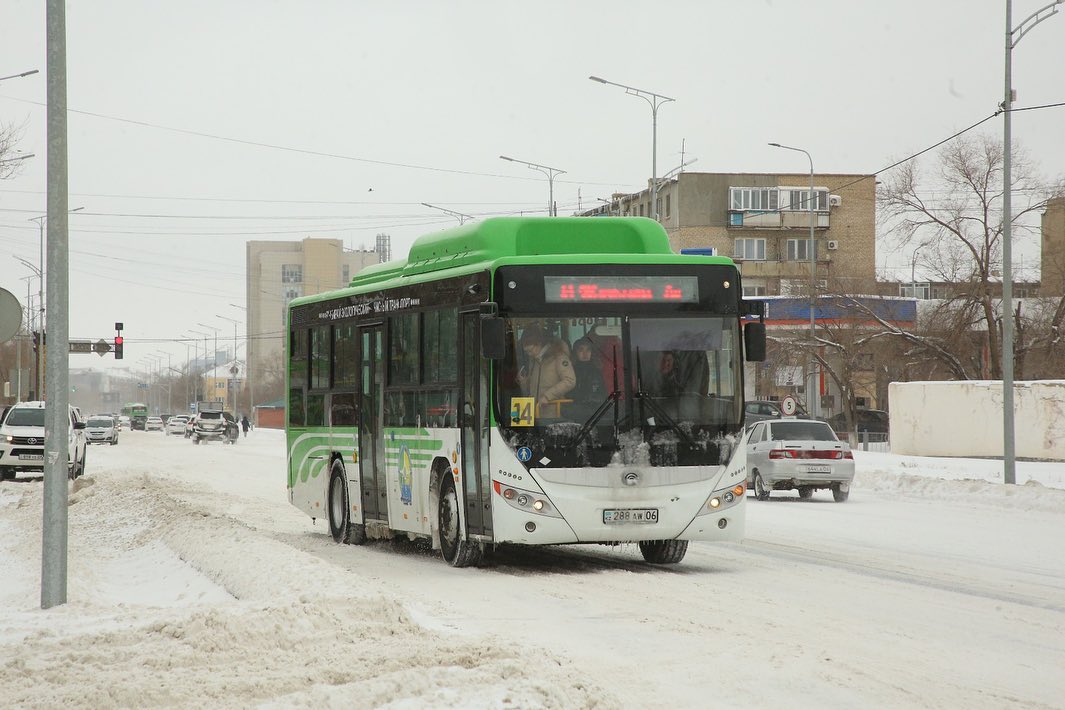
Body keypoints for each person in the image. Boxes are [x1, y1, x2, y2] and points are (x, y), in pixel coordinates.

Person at [516, 325, 576, 409]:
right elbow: (530, 390)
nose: (529, 354)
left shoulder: (559, 357)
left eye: (530, 350)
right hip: (535, 411)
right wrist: (524, 382)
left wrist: (547, 396)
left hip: (554, 411)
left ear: (539, 344)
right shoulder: (533, 361)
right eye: (526, 352)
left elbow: (570, 381)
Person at [571, 337, 607, 405]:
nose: (585, 353)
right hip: (576, 408)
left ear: (591, 352)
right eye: (581, 350)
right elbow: (569, 394)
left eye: (588, 350)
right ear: (575, 352)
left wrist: (594, 398)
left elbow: (604, 394)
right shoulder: (570, 371)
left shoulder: (597, 370)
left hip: (596, 409)